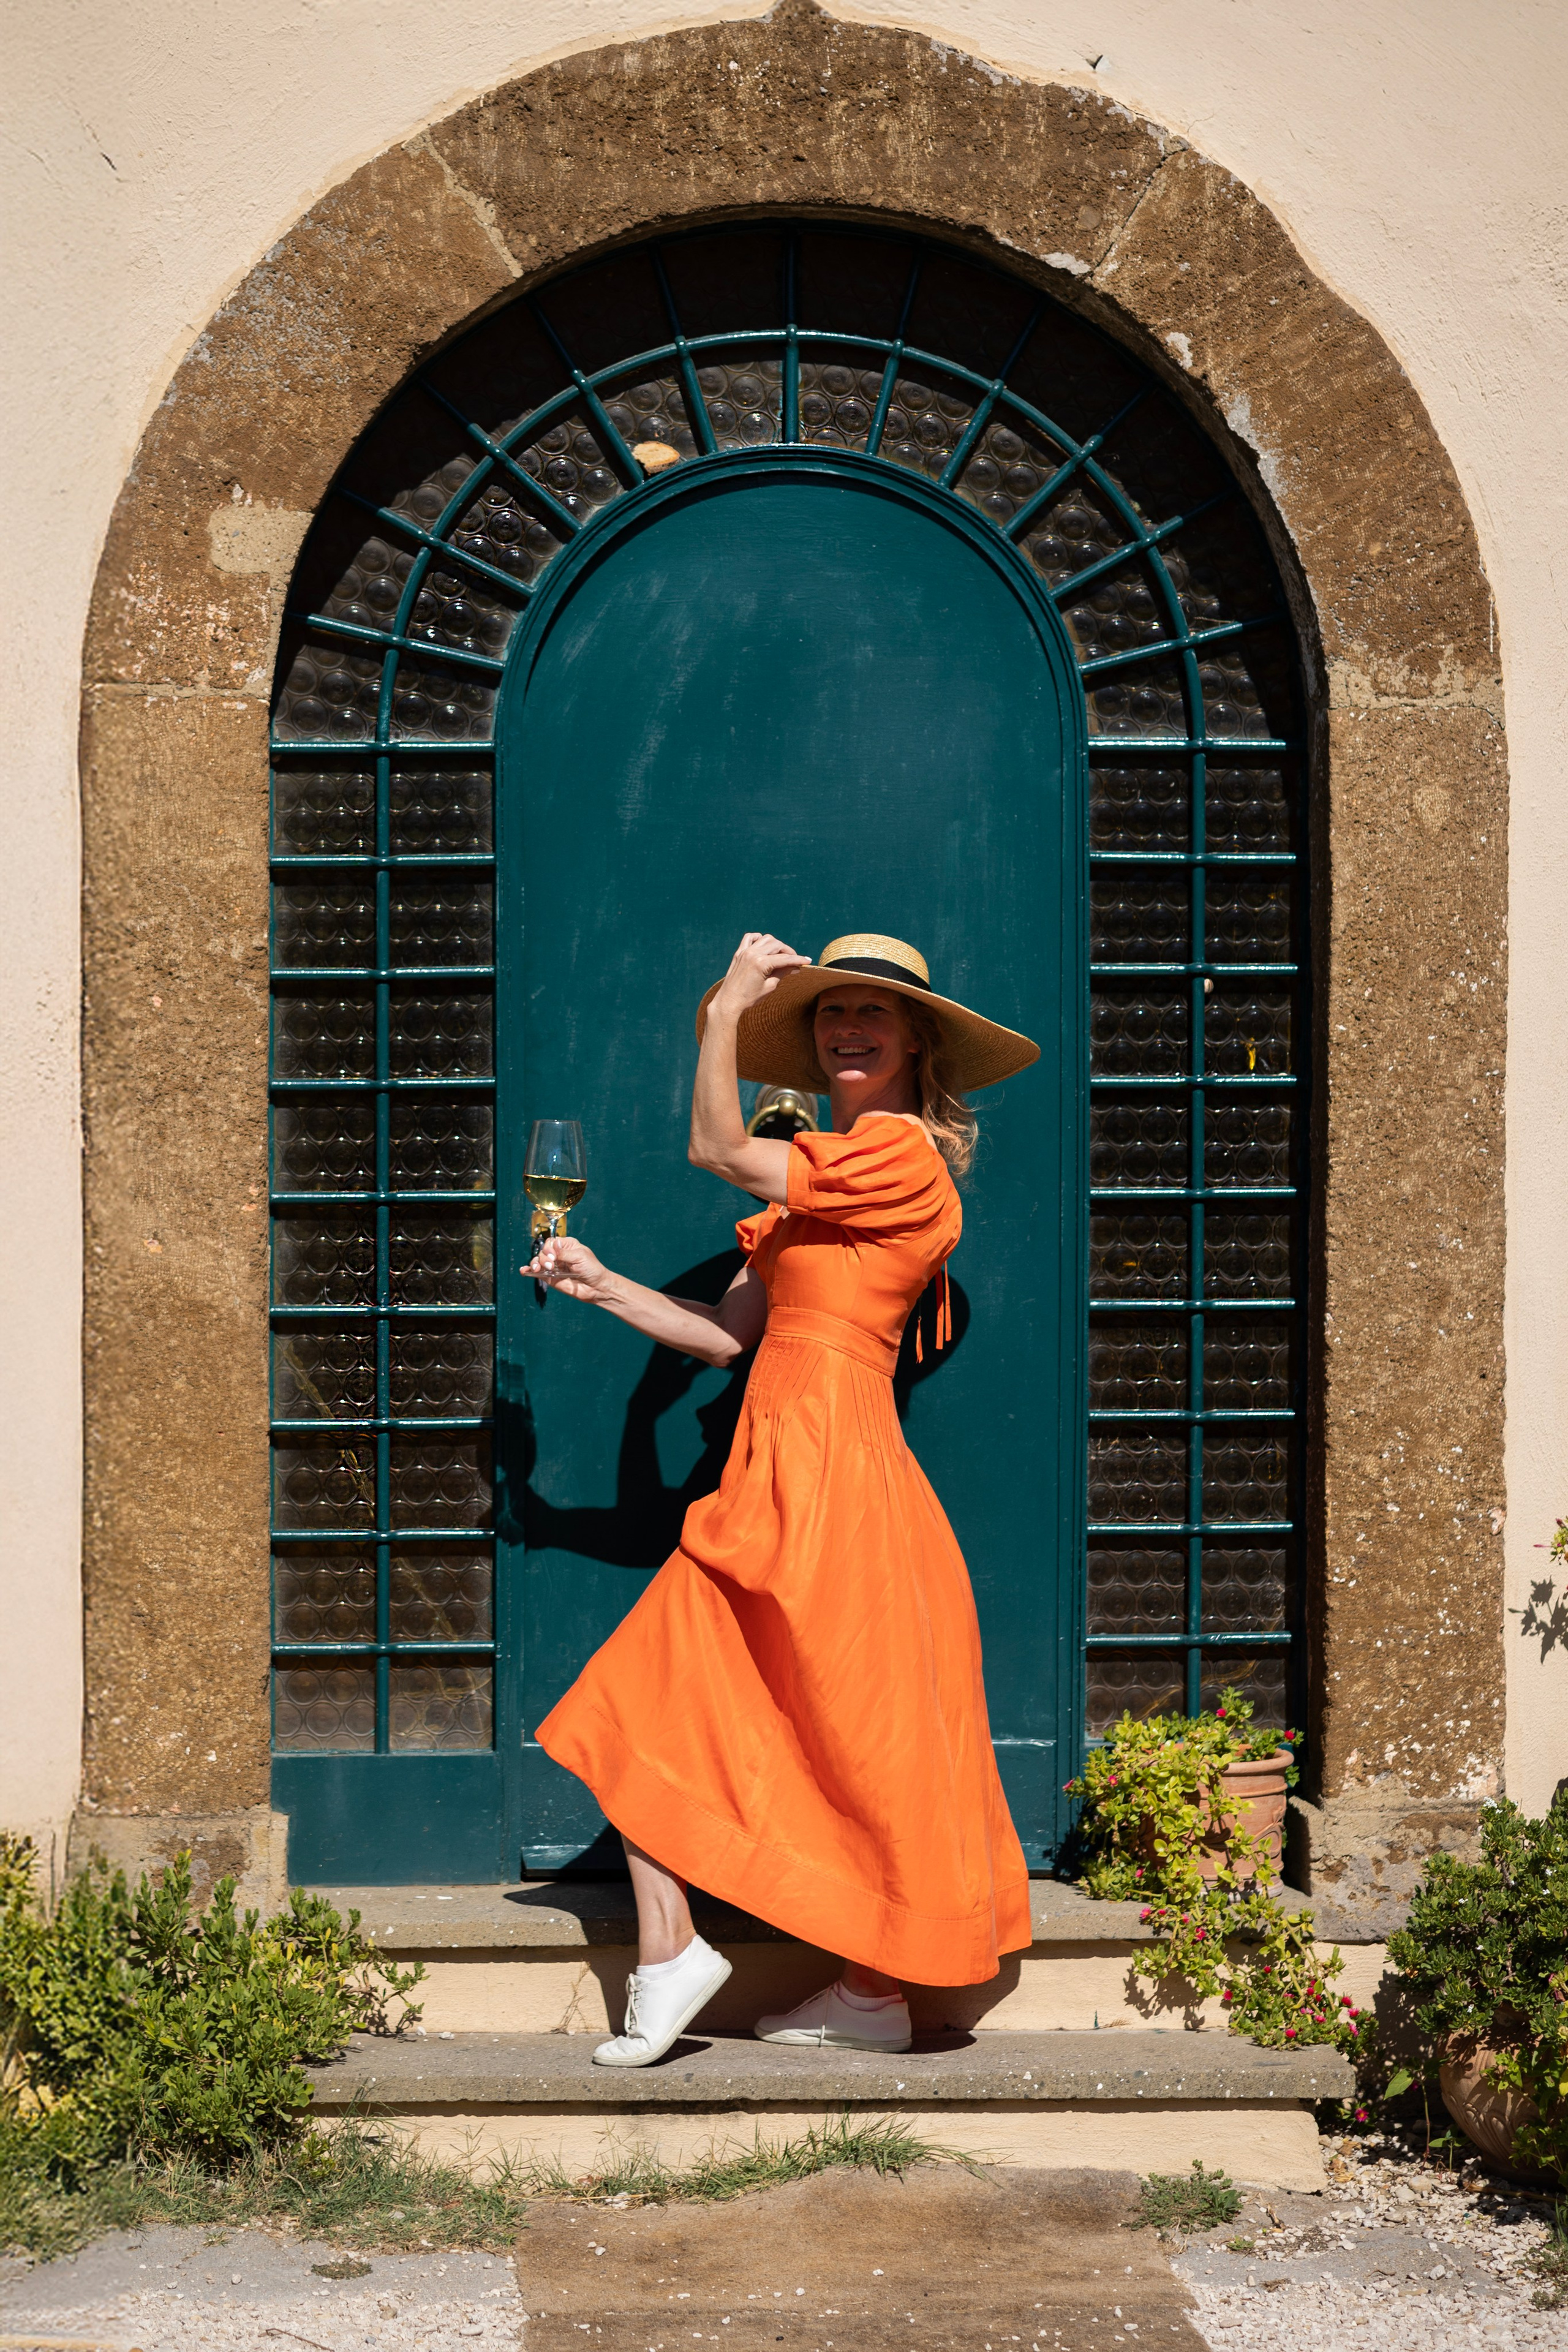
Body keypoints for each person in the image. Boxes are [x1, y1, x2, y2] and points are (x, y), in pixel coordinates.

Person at [526, 930, 1039, 2066]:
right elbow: (726, 1336)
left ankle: (730, 1963)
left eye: (872, 1014)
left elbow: (714, 1145)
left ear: (917, 1042)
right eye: (827, 1013)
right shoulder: (823, 1175)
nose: (847, 1029)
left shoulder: (899, 1158)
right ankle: (846, 1992)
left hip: (835, 1475)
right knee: (709, 1708)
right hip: (787, 1466)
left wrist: (723, 1013)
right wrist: (600, 1283)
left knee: (830, 1731)